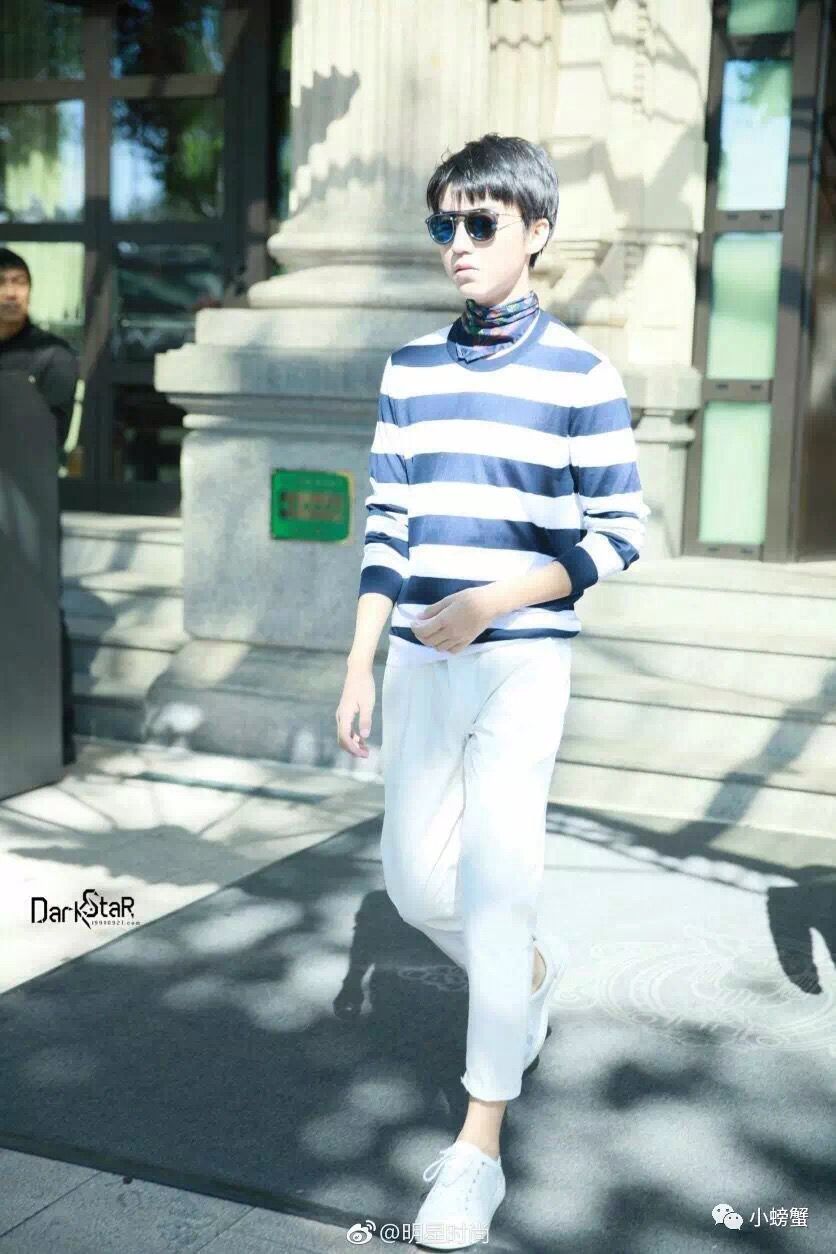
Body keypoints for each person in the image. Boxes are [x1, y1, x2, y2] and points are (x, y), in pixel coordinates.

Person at [336, 134, 651, 1250]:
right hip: (420, 655)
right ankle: (525, 975)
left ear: (536, 233)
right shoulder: (410, 369)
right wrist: (360, 659)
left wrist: (493, 600)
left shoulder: (582, 376)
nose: (458, 244)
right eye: (445, 224)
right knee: (413, 882)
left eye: (481, 223)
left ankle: (478, 1149)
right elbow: (386, 523)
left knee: (500, 882)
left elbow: (620, 534)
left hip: (522, 658)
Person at [0, 247, 80, 765]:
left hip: (26, 508)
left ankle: (57, 736)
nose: (11, 293)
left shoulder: (52, 356)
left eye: (20, 282)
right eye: (2, 282)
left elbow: (44, 439)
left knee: (39, 614)